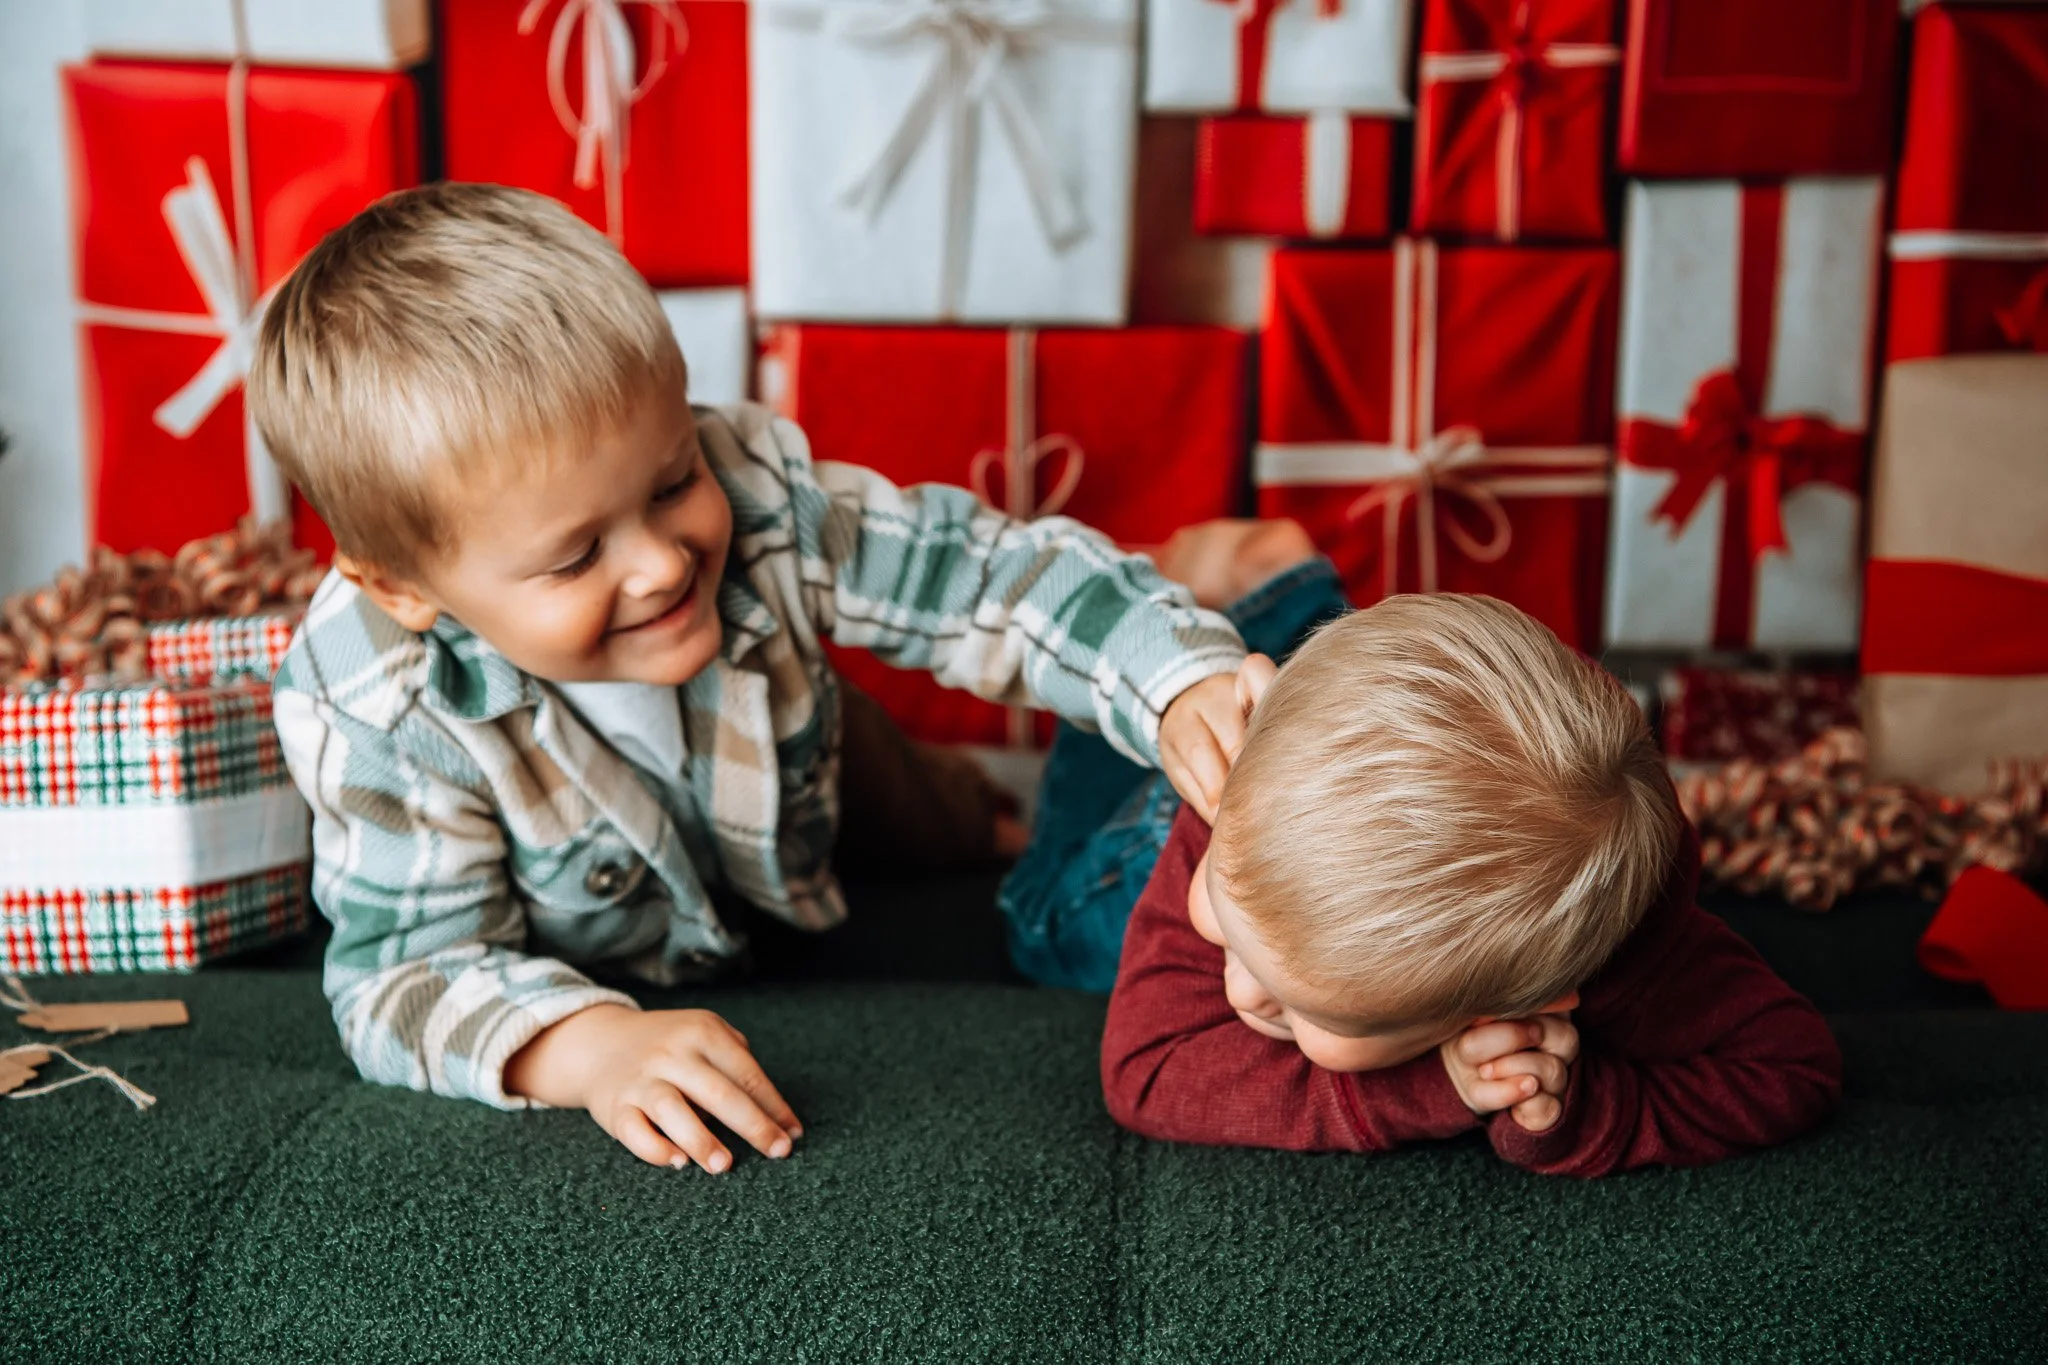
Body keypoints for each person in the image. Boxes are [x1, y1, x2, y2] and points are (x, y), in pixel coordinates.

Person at [252, 183, 1254, 1172]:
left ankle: (1220, 592)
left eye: (672, 481)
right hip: (659, 893)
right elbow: (402, 980)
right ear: (405, 586)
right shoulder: (375, 699)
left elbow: (987, 577)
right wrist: (588, 1048)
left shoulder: (756, 497)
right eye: (574, 559)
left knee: (951, 813)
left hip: (808, 772)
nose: (660, 562)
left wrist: (1178, 681)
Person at [1087, 555, 1843, 1175]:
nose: (1238, 988)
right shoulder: (1264, 791)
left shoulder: (1621, 949)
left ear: (1497, 1011)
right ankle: (1262, 585)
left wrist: (1582, 1107)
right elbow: (1146, 1067)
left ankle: (1279, 581)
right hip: (1146, 818)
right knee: (1063, 927)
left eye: (1306, 1008)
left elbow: (1794, 1069)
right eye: (1222, 905)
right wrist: (1422, 1088)